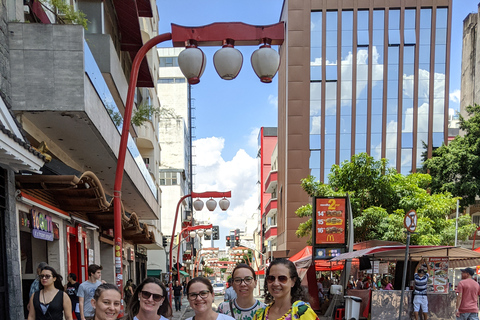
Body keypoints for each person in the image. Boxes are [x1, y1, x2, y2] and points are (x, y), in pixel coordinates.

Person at [252, 258, 319, 320]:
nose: (276, 283)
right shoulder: (260, 314)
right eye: (271, 278)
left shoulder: (302, 312)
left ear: (293, 281)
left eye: (282, 279)